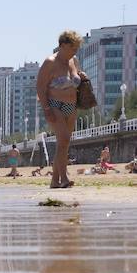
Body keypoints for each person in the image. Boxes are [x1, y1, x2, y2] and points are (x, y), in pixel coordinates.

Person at [37, 30, 86, 188]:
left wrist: (81, 76)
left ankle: (54, 181)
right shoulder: (50, 62)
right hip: (54, 105)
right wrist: (46, 109)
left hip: (71, 105)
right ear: (63, 45)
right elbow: (39, 87)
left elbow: (75, 78)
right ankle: (64, 178)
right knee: (64, 139)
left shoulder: (73, 60)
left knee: (63, 143)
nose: (75, 50)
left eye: (77, 48)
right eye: (73, 47)